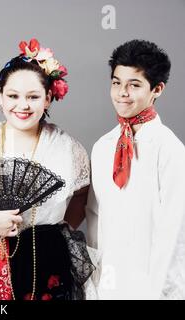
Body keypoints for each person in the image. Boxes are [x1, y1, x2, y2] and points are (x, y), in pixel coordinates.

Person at [0, 37, 94, 300]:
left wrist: (50, 230)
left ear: (49, 98)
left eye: (33, 97)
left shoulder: (67, 148)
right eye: (13, 96)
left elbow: (82, 195)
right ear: (0, 96)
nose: (23, 105)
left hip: (47, 259)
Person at [86, 39, 185, 299]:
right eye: (117, 83)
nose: (122, 93)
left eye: (134, 85)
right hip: (108, 285)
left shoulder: (169, 149)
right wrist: (95, 285)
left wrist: (161, 292)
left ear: (158, 89)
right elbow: (95, 218)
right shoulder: (102, 147)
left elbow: (175, 232)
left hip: (153, 287)